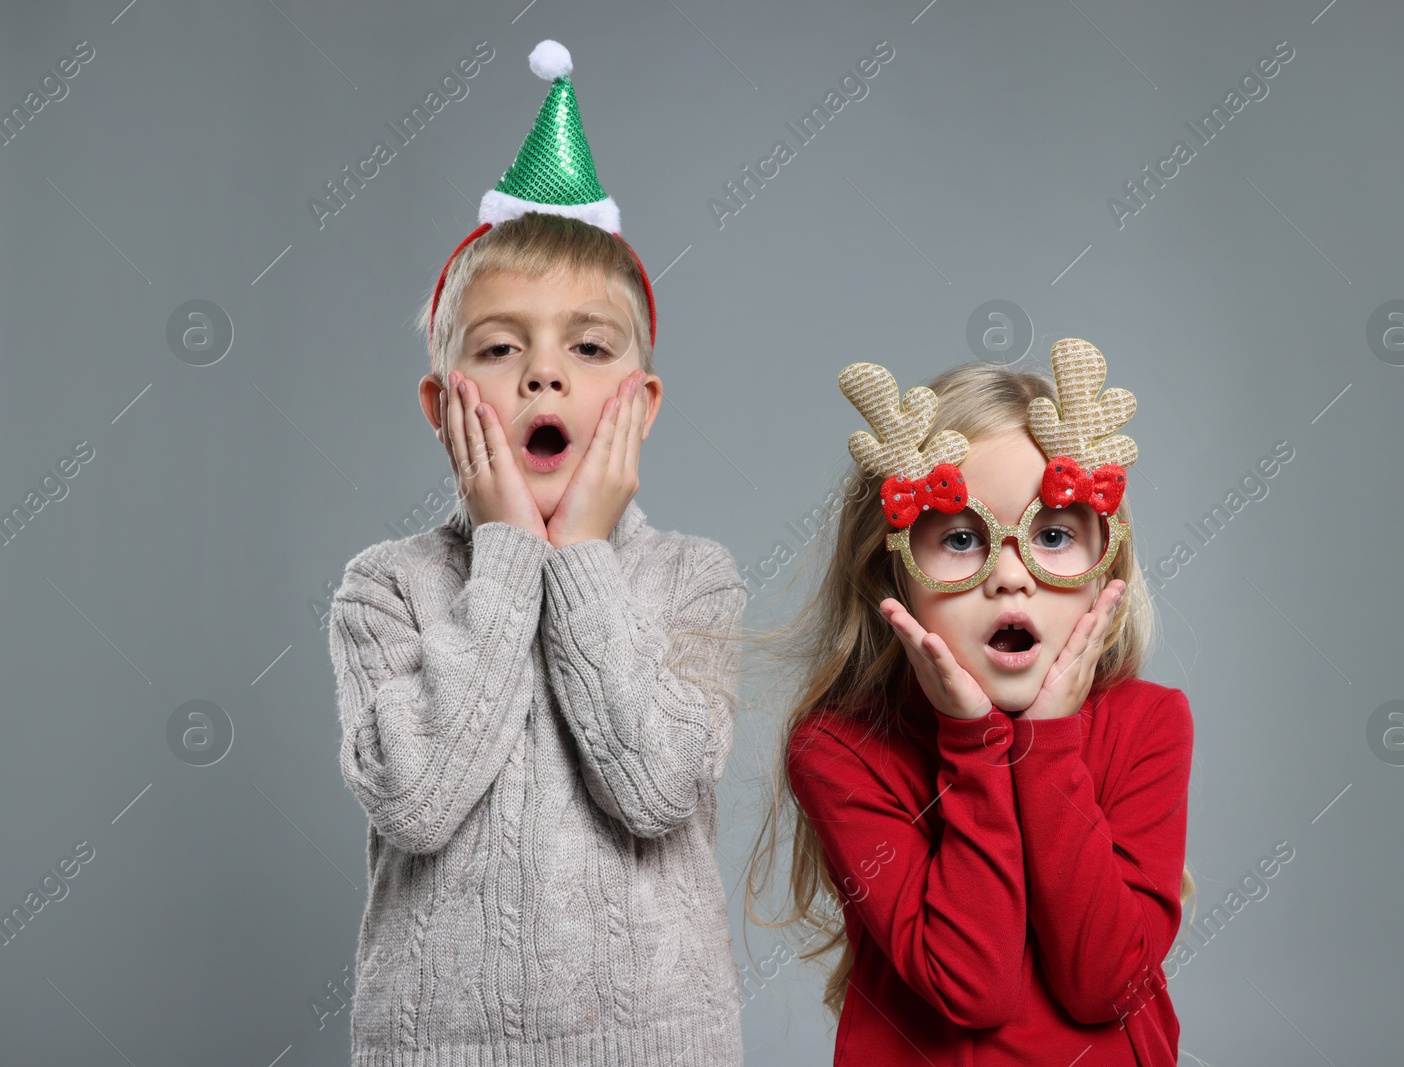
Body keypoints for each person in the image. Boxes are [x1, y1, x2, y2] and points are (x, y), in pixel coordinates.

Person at [326, 41, 745, 1066]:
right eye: (500, 347)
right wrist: (509, 549)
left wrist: (583, 557)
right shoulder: (386, 587)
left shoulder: (696, 578)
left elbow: (650, 789)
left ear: (637, 406)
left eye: (588, 348)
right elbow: (415, 801)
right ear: (441, 403)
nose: (543, 377)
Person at [747, 341, 1196, 1065]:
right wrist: (973, 743)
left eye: (1052, 535)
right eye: (961, 539)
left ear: (1103, 565)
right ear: (896, 574)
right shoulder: (839, 748)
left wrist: (1047, 747)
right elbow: (973, 985)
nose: (1011, 577)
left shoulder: (1149, 724)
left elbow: (1103, 984)